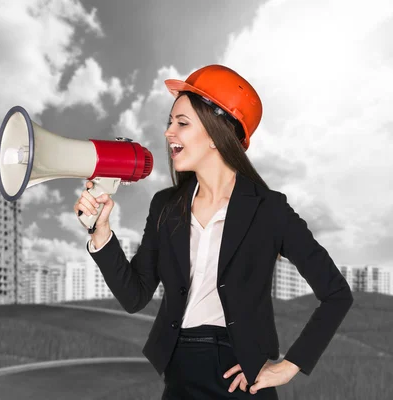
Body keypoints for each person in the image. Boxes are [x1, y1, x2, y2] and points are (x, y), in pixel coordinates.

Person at [73, 64, 353, 399]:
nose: (168, 133)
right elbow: (135, 296)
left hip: (239, 379)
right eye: (169, 122)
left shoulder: (269, 209)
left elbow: (336, 293)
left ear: (215, 132)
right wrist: (101, 231)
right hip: (178, 374)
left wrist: (289, 366)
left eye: (182, 123)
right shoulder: (165, 206)